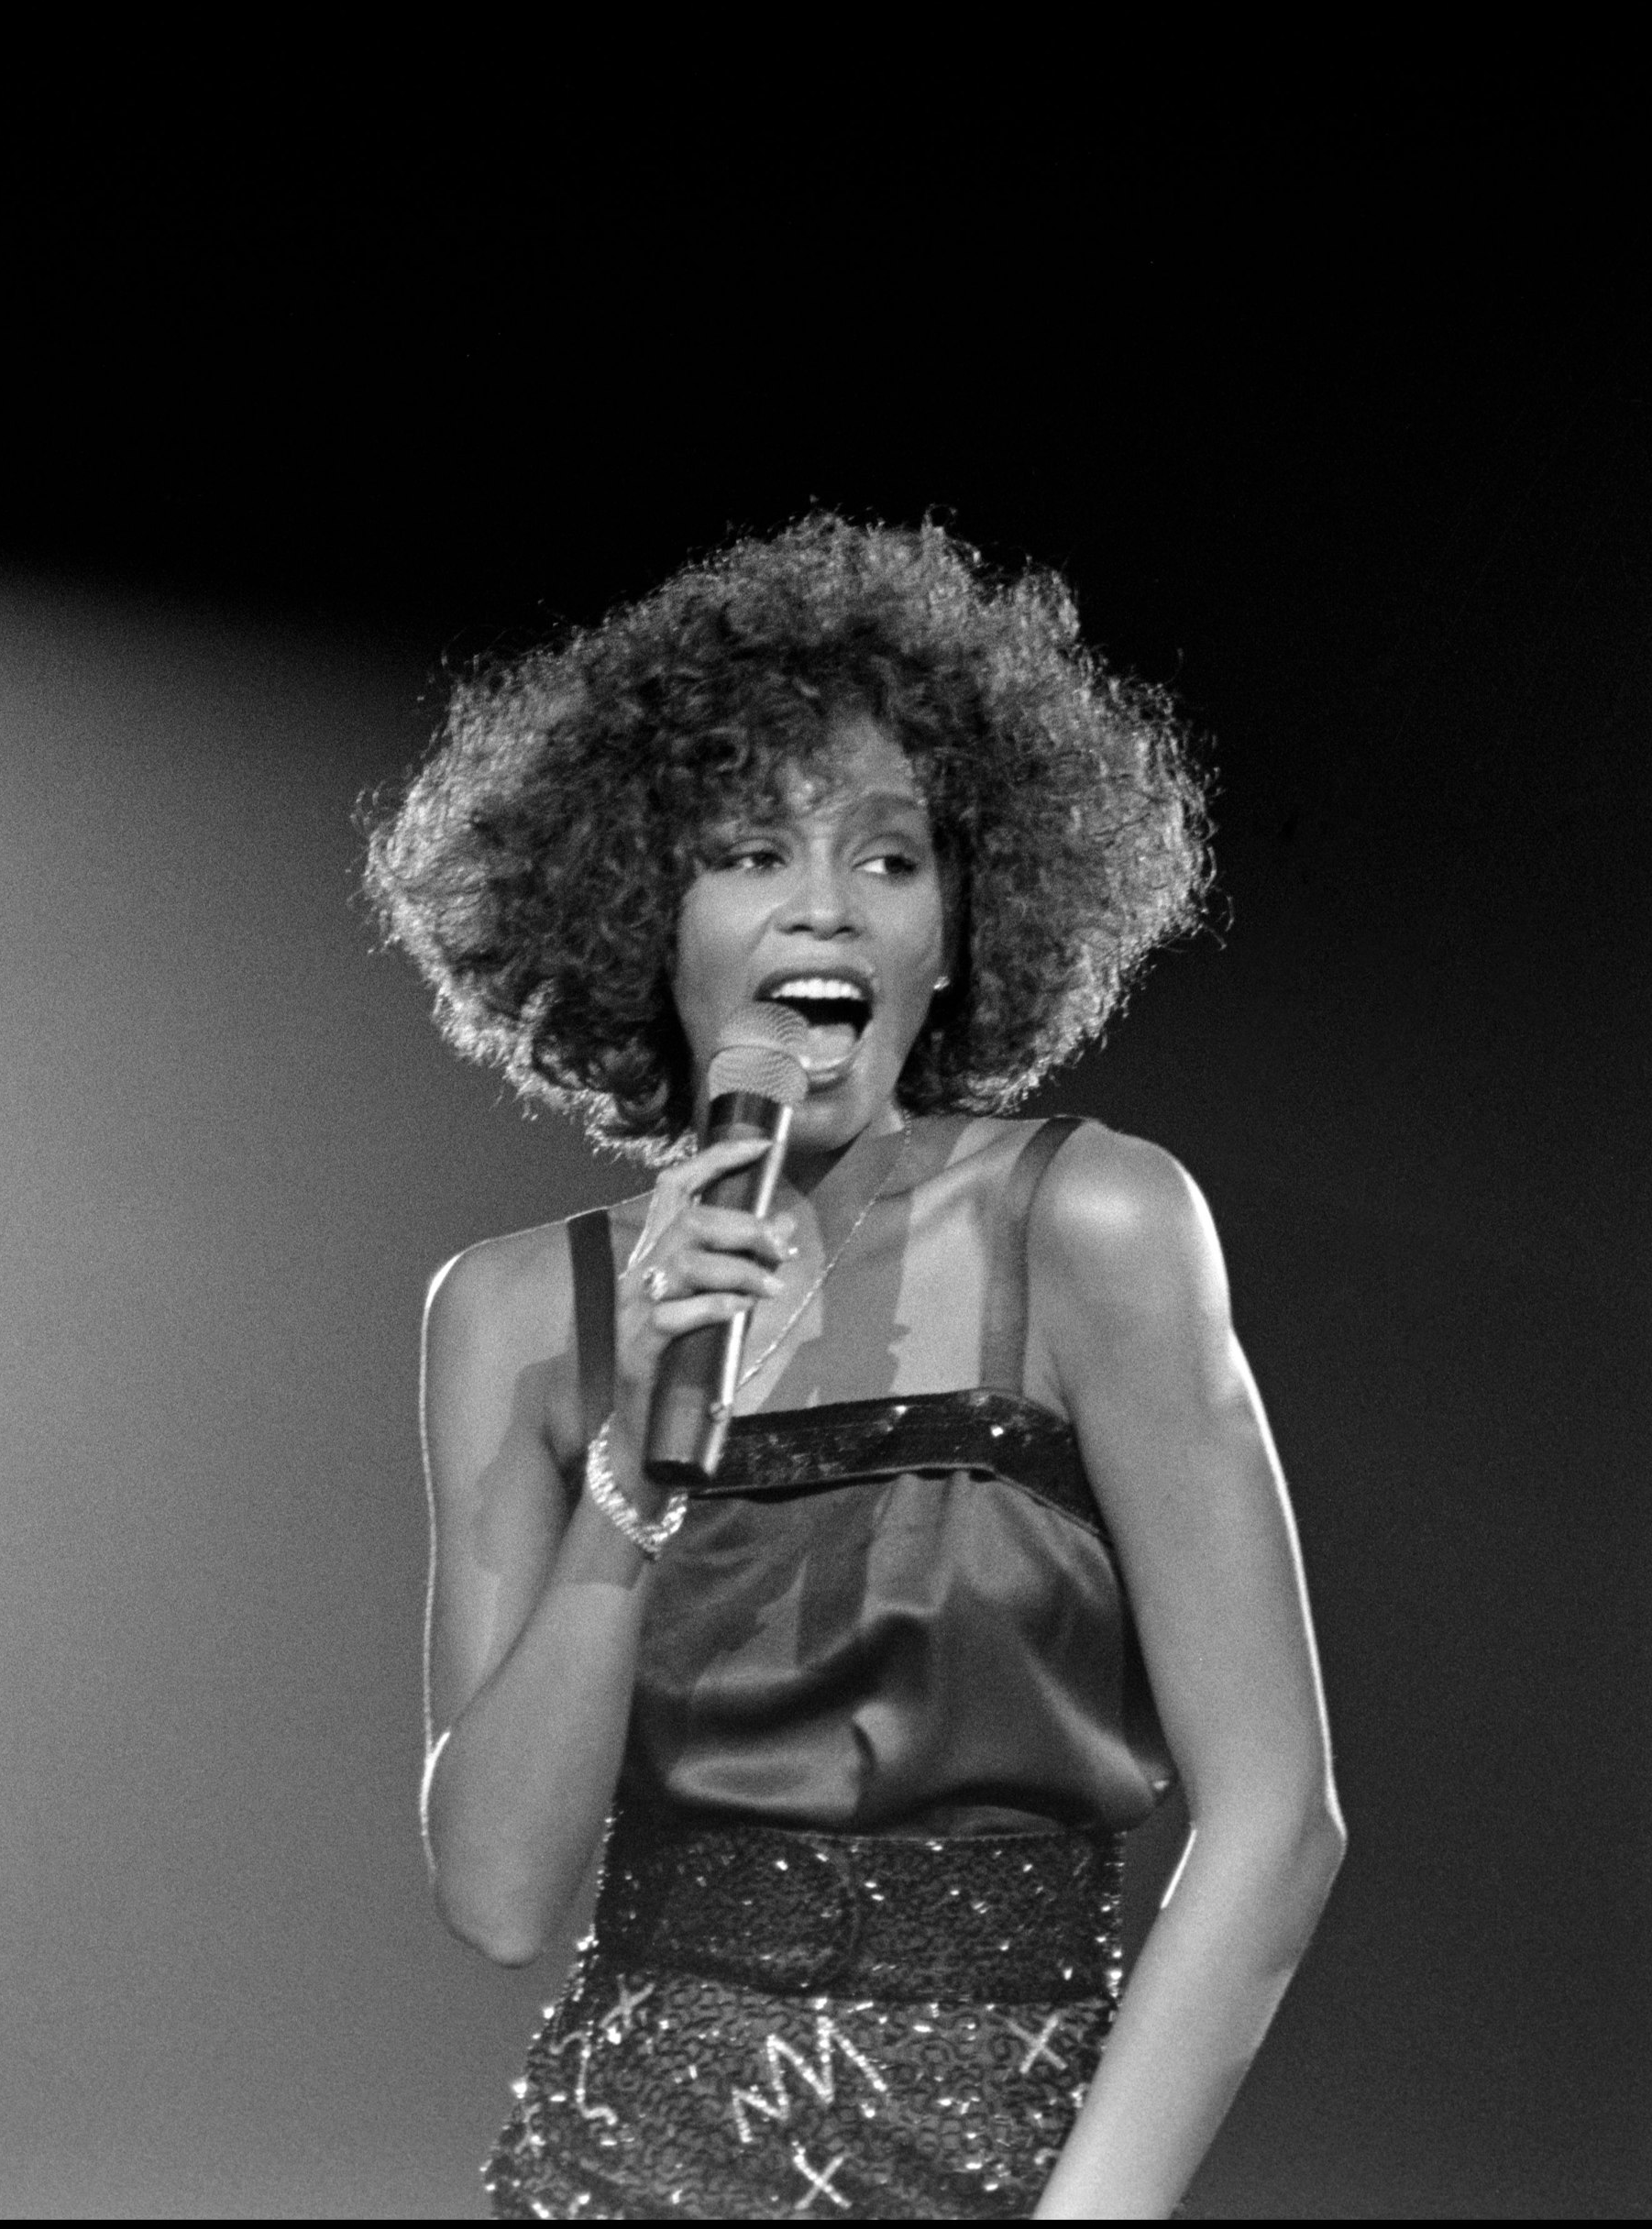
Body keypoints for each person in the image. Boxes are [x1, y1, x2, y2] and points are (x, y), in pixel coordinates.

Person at [365, 518, 1341, 2219]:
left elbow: (1277, 1821)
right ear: (643, 917)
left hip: (1013, 2154)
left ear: (960, 931)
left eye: (890, 862)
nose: (825, 904)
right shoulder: (518, 1314)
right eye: (750, 851)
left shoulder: (1092, 1222)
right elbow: (503, 1897)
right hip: (621, 2156)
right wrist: (629, 1487)